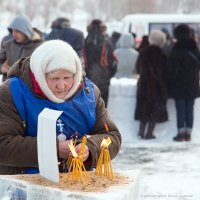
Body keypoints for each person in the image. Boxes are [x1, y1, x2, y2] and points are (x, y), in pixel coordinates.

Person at [0, 40, 121, 175]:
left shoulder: (88, 93)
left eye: (67, 77)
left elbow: (112, 136)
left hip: (76, 183)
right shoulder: (14, 92)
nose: (61, 85)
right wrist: (53, 149)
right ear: (40, 74)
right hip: (25, 184)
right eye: (55, 78)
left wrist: (90, 148)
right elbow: (3, 143)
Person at [167, 24, 200, 142]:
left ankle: (180, 134)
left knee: (180, 109)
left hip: (179, 84)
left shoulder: (176, 48)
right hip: (192, 84)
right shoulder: (194, 47)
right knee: (190, 109)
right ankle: (188, 133)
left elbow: (171, 69)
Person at [135, 30, 168, 139]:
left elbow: (137, 68)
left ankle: (140, 132)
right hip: (157, 87)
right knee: (154, 111)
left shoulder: (143, 52)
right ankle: (149, 133)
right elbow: (165, 72)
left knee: (143, 109)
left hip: (144, 85)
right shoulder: (163, 54)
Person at [83, 19, 117, 107]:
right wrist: (110, 74)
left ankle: (90, 119)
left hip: (88, 75)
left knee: (90, 102)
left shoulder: (85, 41)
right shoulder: (106, 42)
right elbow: (113, 61)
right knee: (102, 105)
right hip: (103, 76)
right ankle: (101, 120)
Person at [0, 15, 43, 82]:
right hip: (8, 89)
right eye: (13, 31)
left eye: (17, 31)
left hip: (30, 90)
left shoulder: (40, 46)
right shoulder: (8, 45)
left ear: (26, 31)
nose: (14, 34)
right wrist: (1, 68)